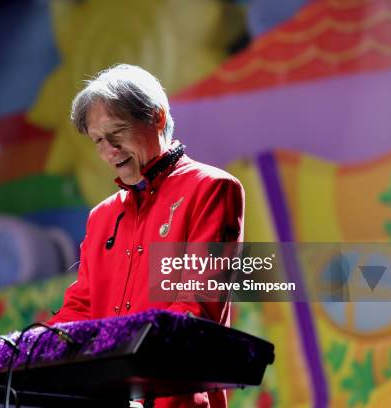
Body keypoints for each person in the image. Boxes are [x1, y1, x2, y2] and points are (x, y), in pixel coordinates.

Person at [48, 64, 244, 408]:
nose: (109, 150)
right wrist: (34, 345)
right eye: (98, 141)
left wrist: (120, 358)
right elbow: (80, 307)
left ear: (156, 116)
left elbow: (196, 305)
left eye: (117, 132)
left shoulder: (212, 189)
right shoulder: (102, 216)